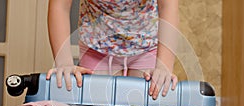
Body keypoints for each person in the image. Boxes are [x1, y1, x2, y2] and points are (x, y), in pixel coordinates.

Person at [46, 0, 179, 100]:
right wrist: (63, 63)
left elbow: (167, 6)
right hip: (96, 47)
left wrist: (163, 66)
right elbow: (60, 6)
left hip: (146, 46)